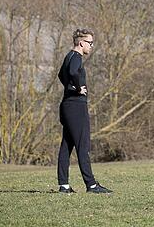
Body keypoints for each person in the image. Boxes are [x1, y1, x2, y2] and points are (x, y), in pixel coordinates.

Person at [57, 29, 111, 194]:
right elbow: (72, 72)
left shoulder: (69, 57)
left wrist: (70, 87)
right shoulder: (76, 57)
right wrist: (77, 88)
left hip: (68, 105)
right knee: (83, 145)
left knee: (67, 145)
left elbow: (61, 75)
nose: (91, 46)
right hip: (76, 107)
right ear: (81, 43)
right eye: (90, 43)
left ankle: (64, 186)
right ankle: (91, 185)